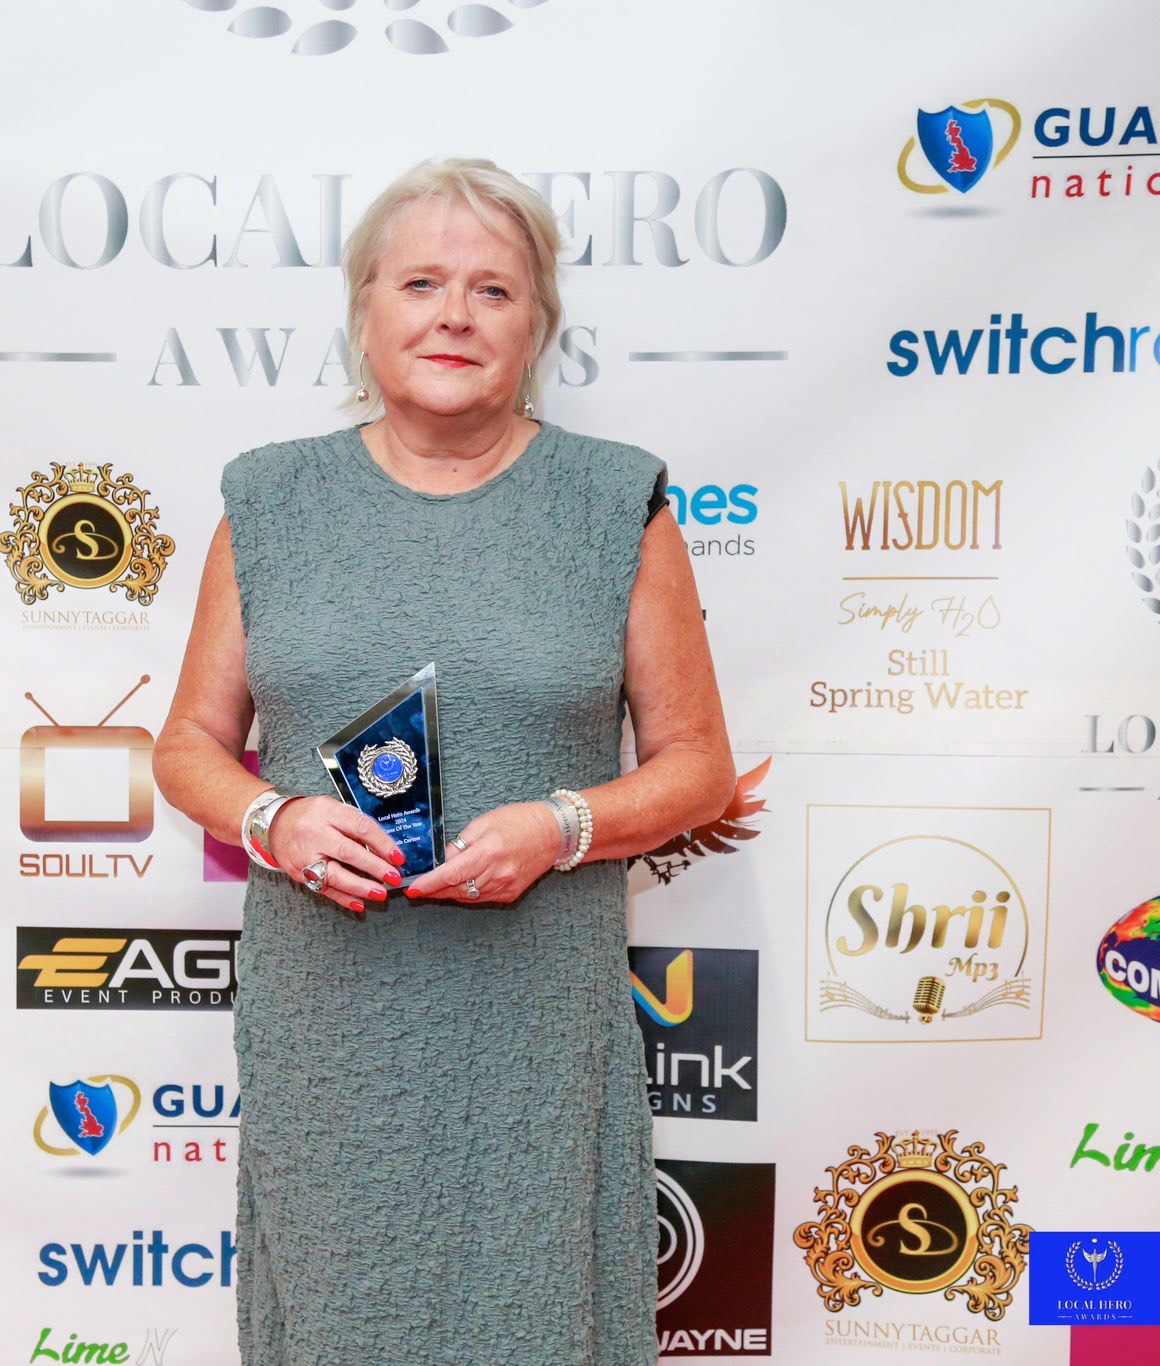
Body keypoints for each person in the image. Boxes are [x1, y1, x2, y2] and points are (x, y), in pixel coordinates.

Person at [153, 157, 735, 1366]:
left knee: (537, 1317)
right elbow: (186, 748)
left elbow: (697, 770)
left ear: (536, 326)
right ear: (363, 311)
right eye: (419, 282)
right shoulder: (269, 500)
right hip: (331, 1024)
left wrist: (561, 825)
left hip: (533, 1023)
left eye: (492, 290)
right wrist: (273, 822)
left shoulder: (612, 501)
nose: (453, 316)